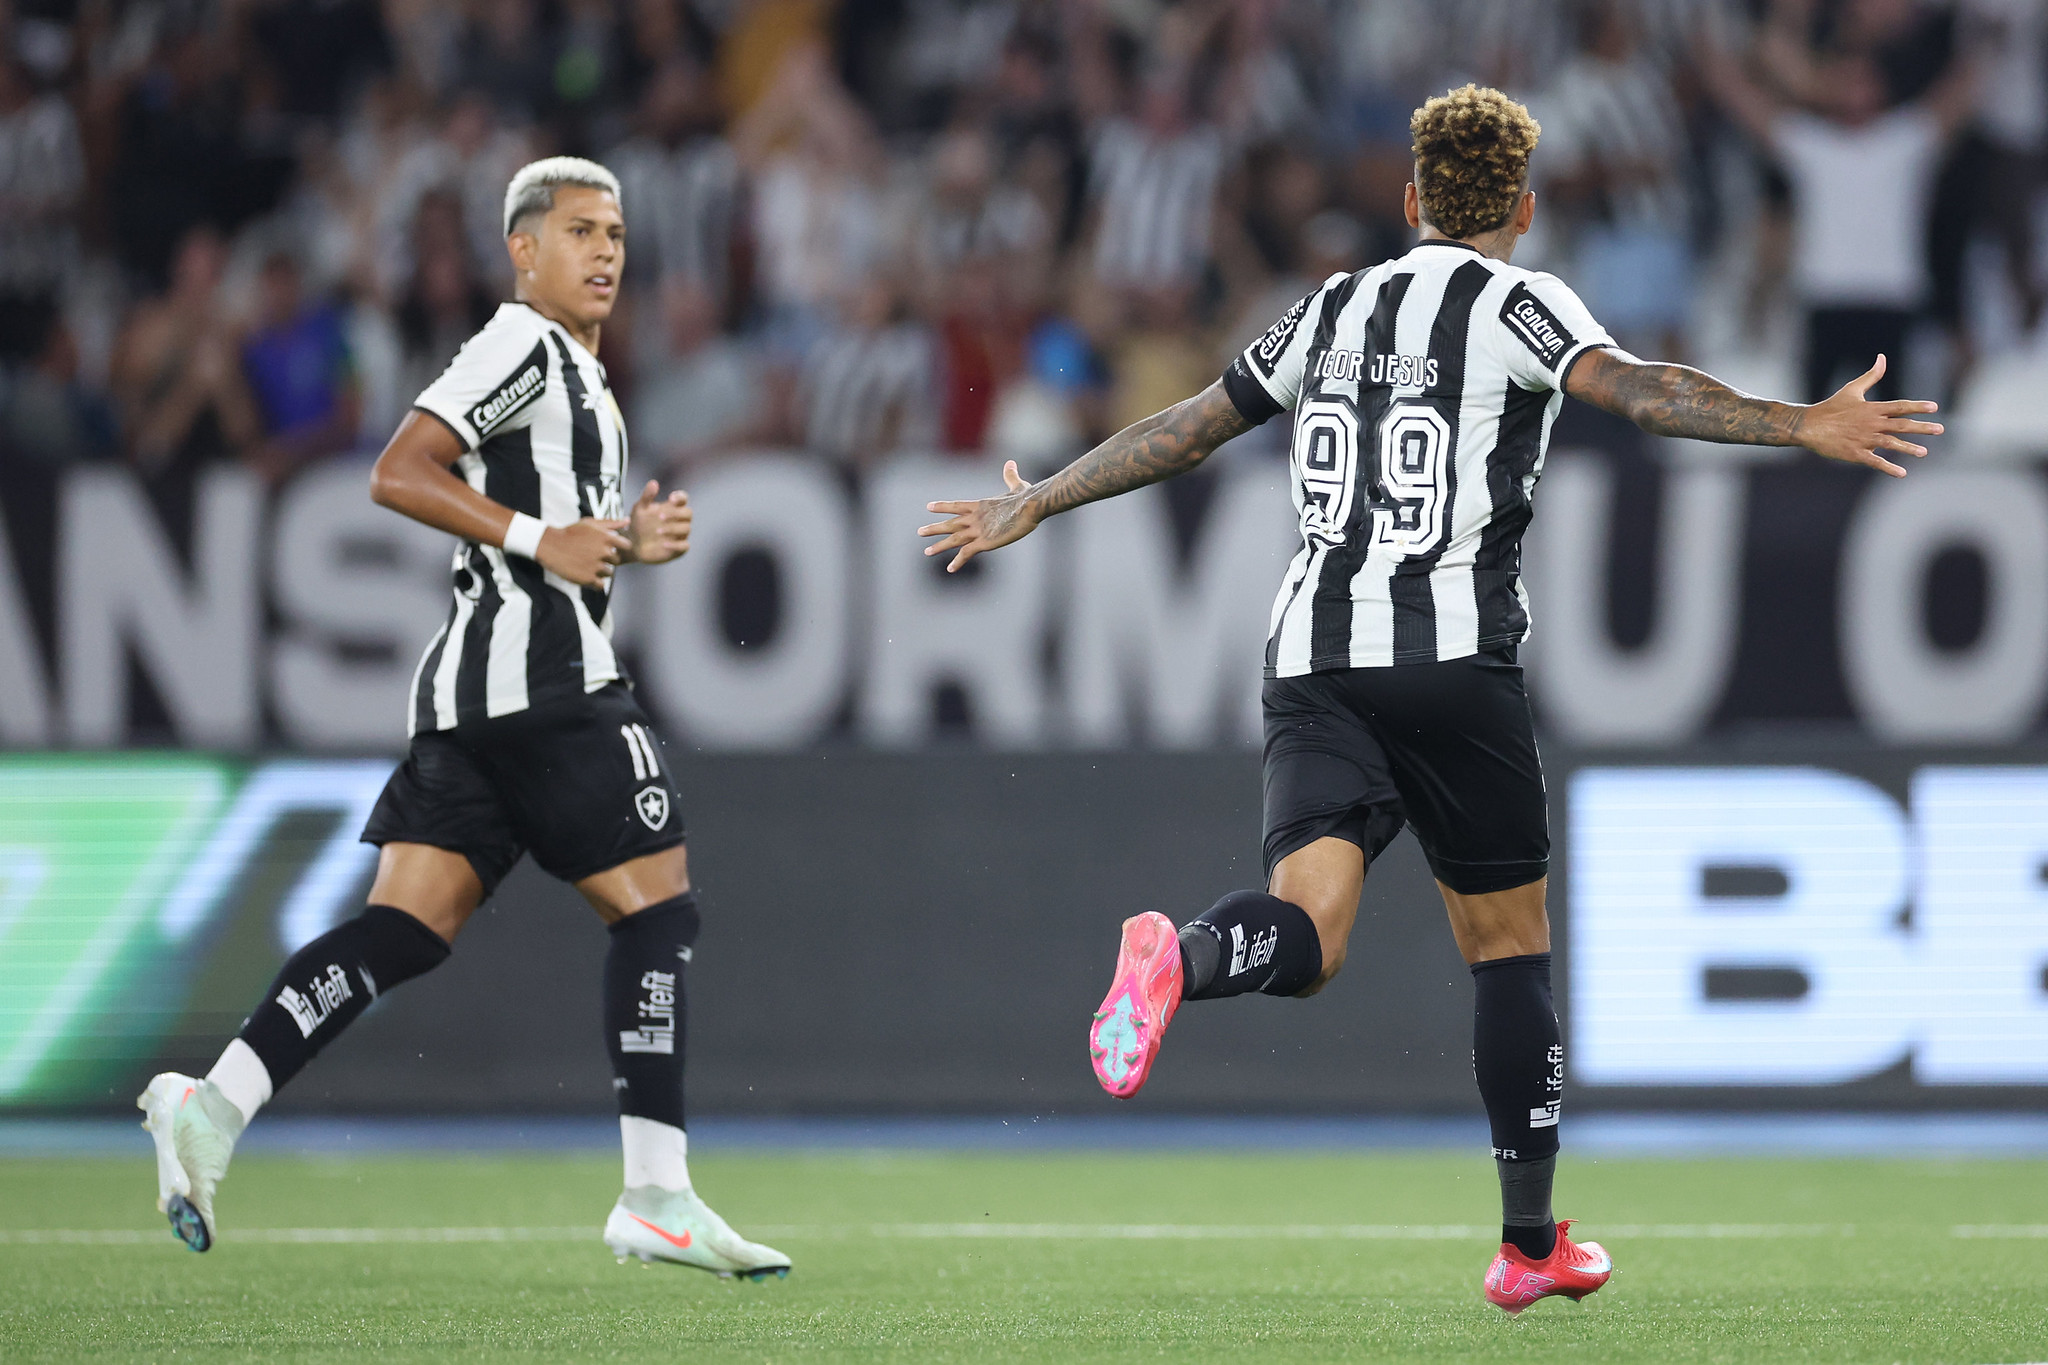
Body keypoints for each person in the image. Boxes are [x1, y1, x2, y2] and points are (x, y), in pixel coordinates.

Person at [918, 85, 1941, 1314]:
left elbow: (1188, 429)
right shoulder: (1521, 298)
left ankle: (1180, 959)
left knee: (1309, 937)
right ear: (1517, 206)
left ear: (1407, 202)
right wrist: (1801, 424)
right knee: (1506, 947)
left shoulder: (1329, 307)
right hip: (1451, 659)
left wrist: (1036, 498)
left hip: (1309, 658)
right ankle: (1526, 1244)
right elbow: (1645, 391)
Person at [137, 157, 790, 1281]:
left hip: (469, 699)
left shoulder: (584, 374)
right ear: (522, 251)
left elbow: (549, 529)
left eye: (617, 234)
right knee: (654, 911)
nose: (605, 253)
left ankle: (214, 1103)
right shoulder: (520, 346)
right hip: (539, 686)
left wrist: (623, 540)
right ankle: (655, 1192)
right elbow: (397, 470)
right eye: (579, 231)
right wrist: (546, 543)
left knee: (406, 929)